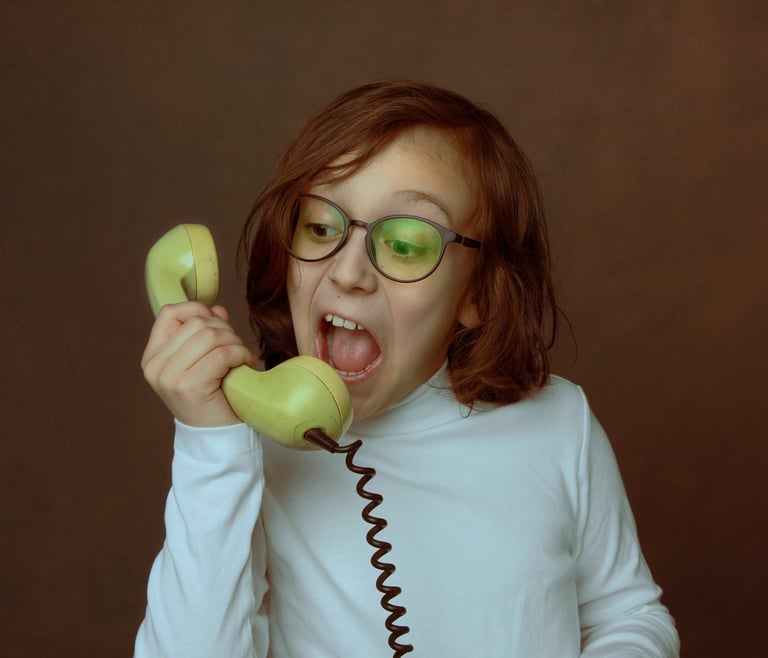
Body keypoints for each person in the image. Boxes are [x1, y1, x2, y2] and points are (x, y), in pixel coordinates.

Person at [135, 81, 680, 657]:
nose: (348, 272)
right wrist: (212, 446)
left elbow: (630, 615)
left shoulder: (560, 425)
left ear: (479, 293)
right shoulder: (248, 457)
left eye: (406, 243)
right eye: (321, 226)